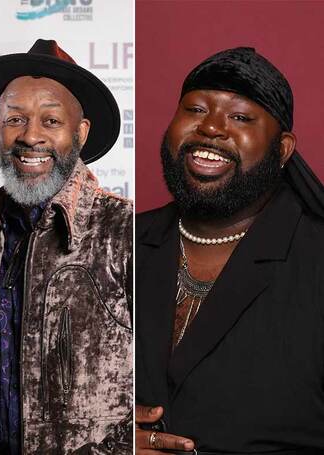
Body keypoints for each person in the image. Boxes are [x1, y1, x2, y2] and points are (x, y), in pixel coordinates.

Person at [135, 47, 324, 454]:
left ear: (284, 148)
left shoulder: (315, 258)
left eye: (240, 117)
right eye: (196, 110)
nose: (212, 129)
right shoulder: (118, 244)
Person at [0, 39, 133, 454]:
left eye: (51, 121)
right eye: (16, 119)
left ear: (80, 133)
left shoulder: (122, 226)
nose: (31, 136)